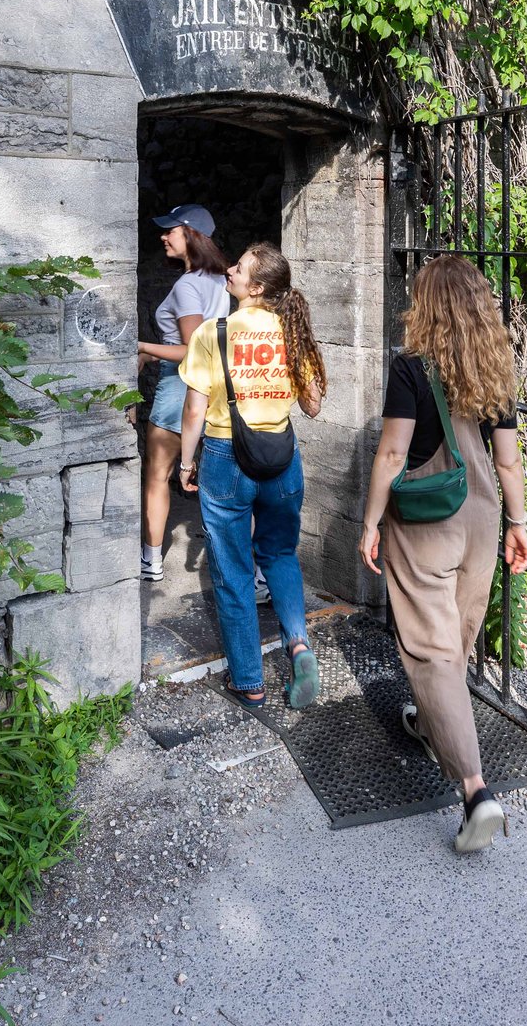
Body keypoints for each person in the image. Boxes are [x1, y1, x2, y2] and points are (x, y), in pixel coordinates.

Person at [359, 254, 527, 854]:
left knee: (431, 649)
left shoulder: (411, 366)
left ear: (424, 304)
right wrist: (518, 522)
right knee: (454, 638)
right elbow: (508, 459)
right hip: (482, 519)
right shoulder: (493, 366)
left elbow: (391, 453)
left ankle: (476, 789)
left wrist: (371, 518)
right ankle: (429, 720)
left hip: (427, 521)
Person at [178, 242, 326, 710]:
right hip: (281, 455)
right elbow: (314, 405)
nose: (229, 269)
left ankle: (249, 681)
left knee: (233, 569)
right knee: (280, 553)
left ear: (256, 287)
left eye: (238, 268)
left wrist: (186, 463)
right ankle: (298, 644)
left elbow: (194, 407)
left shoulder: (212, 333)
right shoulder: (291, 331)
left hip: (225, 457)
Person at [138, 203, 230, 583]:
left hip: (181, 385)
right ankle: (236, 566)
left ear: (191, 235)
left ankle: (151, 561)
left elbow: (193, 348)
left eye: (170, 230)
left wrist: (143, 347)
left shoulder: (188, 285)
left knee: (157, 475)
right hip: (217, 386)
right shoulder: (222, 282)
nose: (163, 236)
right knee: (214, 480)